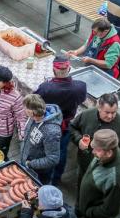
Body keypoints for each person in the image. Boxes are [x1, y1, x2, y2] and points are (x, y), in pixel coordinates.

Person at [70, 93, 120, 210]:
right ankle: (79, 211)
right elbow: (73, 127)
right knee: (82, 189)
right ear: (99, 107)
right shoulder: (87, 115)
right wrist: (79, 140)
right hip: (84, 164)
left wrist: (114, 167)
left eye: (113, 112)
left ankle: (91, 215)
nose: (110, 116)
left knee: (99, 198)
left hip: (104, 173)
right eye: (107, 112)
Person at [34, 54, 88, 185]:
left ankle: (43, 178)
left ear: (54, 70)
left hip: (48, 125)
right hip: (66, 125)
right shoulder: (80, 87)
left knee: (45, 151)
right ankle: (56, 178)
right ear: (69, 69)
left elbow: (35, 102)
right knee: (61, 151)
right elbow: (81, 100)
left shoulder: (46, 88)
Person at [76, 129, 120, 218]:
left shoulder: (115, 178)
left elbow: (109, 210)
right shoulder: (106, 154)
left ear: (109, 152)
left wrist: (90, 213)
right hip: (90, 212)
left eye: (97, 150)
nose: (93, 152)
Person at [20, 94, 62, 184]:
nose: (23, 110)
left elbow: (53, 159)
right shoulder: (34, 117)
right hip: (26, 162)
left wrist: (30, 164)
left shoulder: (52, 132)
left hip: (39, 173)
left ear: (31, 112)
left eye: (24, 108)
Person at [10, 185, 77, 218]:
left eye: (39, 200)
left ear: (42, 206)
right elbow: (53, 207)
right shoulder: (72, 215)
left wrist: (26, 214)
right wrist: (46, 194)